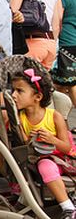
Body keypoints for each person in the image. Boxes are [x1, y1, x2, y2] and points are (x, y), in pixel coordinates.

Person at [11, 67, 76, 218]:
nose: (13, 95)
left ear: (38, 97)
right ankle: (67, 207)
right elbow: (24, 145)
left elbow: (66, 147)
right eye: (13, 90)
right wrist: (30, 140)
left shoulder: (54, 116)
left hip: (65, 159)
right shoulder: (19, 119)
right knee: (45, 165)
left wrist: (52, 139)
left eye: (19, 91)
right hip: (41, 160)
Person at [51, 0, 76, 107]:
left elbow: (58, 18)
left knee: (71, 82)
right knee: (59, 83)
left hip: (66, 40)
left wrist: (53, 38)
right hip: (74, 39)